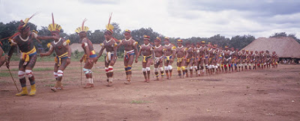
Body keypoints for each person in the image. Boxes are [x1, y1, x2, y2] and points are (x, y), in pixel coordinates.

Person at [6, 14, 54, 96]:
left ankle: (33, 88)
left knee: (28, 71)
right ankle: (24, 90)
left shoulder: (31, 35)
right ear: (22, 31)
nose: (29, 32)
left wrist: (52, 37)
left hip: (32, 54)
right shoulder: (16, 39)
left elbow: (42, 37)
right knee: (20, 73)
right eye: (27, 31)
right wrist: (8, 60)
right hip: (24, 56)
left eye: (29, 30)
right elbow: (12, 49)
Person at [40, 13, 71, 92]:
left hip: (64, 58)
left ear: (58, 34)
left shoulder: (63, 40)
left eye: (55, 34)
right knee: (55, 73)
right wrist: (43, 54)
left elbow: (69, 49)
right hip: (58, 59)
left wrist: (68, 58)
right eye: (52, 34)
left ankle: (56, 87)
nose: (54, 35)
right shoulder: (52, 43)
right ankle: (60, 85)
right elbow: (49, 52)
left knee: (60, 71)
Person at [76, 19, 97, 88]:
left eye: (79, 34)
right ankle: (91, 83)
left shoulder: (84, 40)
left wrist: (88, 58)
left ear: (82, 34)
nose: (79, 35)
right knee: (88, 69)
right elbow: (87, 50)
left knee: (85, 69)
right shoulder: (87, 39)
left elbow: (87, 48)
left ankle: (89, 83)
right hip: (93, 55)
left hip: (91, 55)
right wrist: (83, 57)